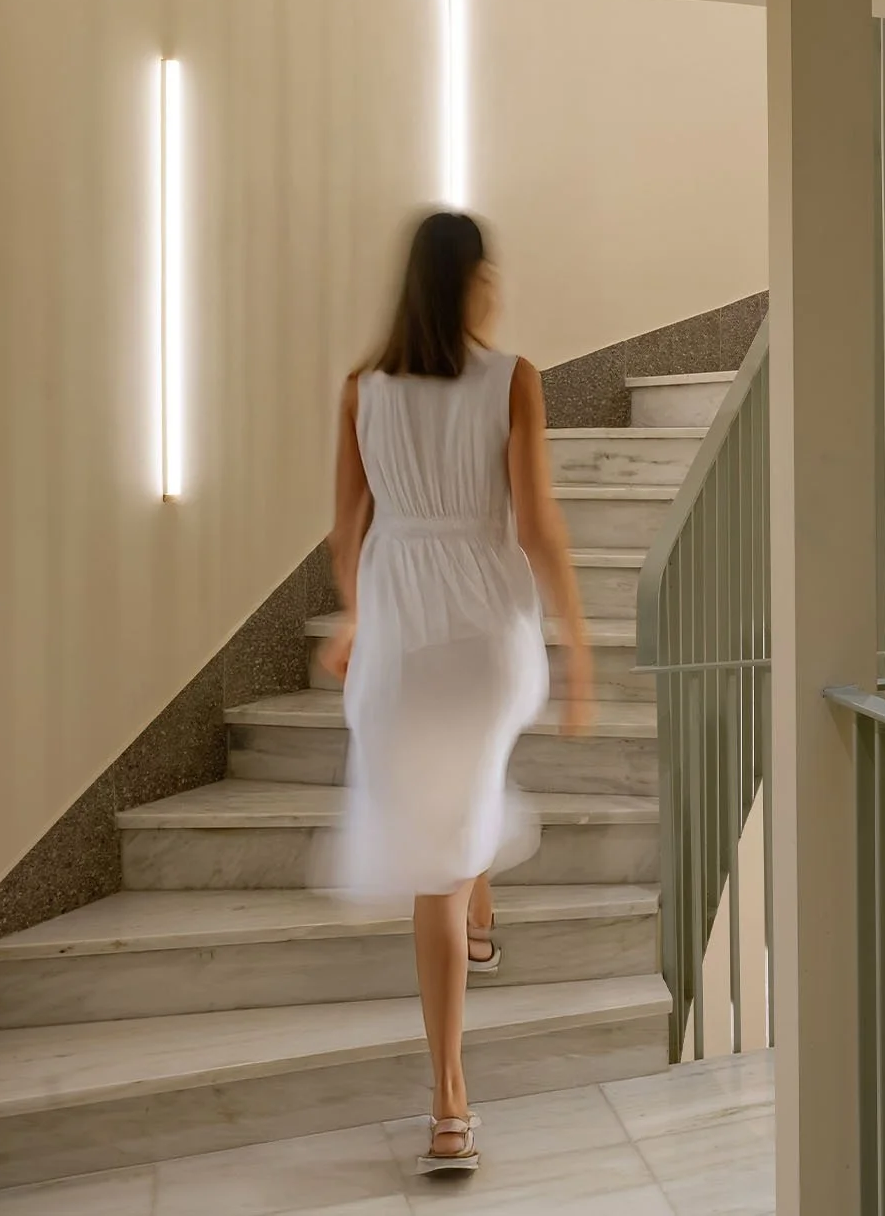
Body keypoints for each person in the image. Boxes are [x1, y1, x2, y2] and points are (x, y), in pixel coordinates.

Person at [317, 210, 594, 1175]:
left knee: (435, 848)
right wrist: (582, 646)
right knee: (466, 784)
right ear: (471, 281)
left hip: (401, 633)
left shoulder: (360, 391)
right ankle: (475, 909)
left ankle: (448, 1105)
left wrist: (356, 617)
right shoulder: (511, 379)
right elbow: (539, 526)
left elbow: (345, 533)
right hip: (484, 636)